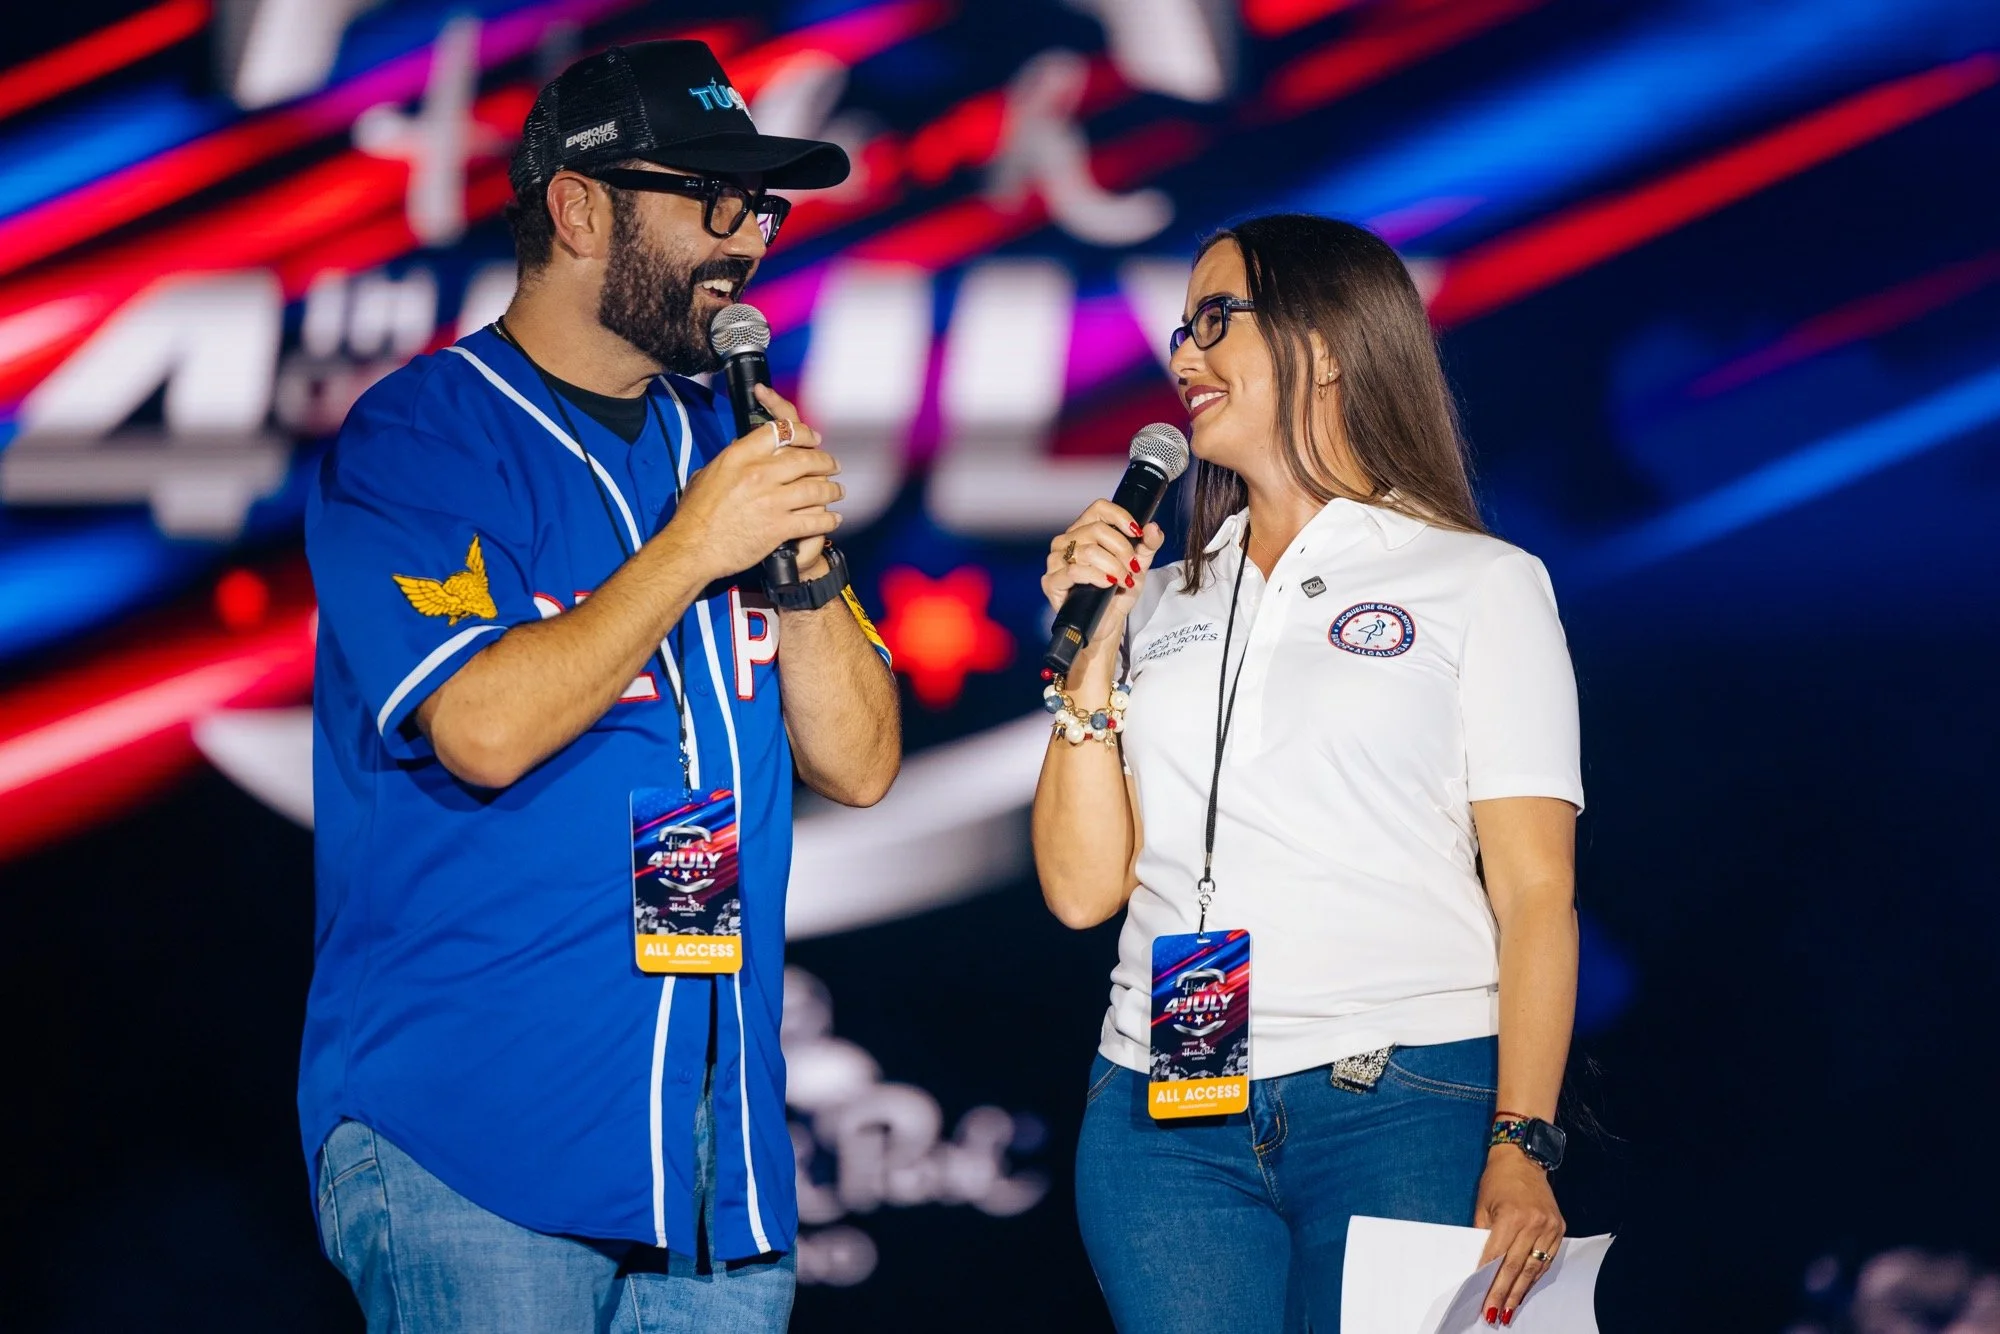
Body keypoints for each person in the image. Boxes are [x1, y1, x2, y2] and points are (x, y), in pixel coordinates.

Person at [300, 40, 900, 1333]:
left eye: (760, 207)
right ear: (577, 209)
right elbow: (481, 725)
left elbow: (859, 762)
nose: (743, 241)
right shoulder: (422, 434)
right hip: (476, 1144)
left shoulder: (732, 443)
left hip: (715, 1171)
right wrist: (693, 546)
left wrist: (800, 561)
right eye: (710, 198)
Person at [1032, 214, 1582, 1331]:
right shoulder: (1164, 594)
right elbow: (1082, 891)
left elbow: (1535, 890)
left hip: (1399, 1098)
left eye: (1214, 320)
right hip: (1161, 1108)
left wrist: (1520, 1136)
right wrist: (1090, 660)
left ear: (1325, 346)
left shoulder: (1477, 580)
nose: (1182, 356)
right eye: (1179, 330)